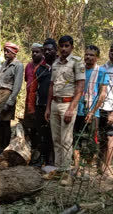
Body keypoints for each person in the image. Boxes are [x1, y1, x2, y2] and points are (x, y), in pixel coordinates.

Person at [44, 35, 85, 185]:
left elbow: (80, 87)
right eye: (61, 46)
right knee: (56, 138)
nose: (64, 49)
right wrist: (48, 107)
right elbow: (51, 85)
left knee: (66, 139)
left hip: (68, 104)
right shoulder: (56, 63)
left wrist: (71, 108)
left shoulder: (77, 62)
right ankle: (59, 170)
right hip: (55, 103)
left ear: (72, 47)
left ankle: (67, 173)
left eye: (67, 46)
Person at [73, 45, 108, 175]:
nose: (88, 57)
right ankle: (76, 166)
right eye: (86, 54)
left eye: (91, 55)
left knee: (90, 141)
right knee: (75, 138)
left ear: (97, 57)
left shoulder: (101, 72)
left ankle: (86, 169)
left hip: (92, 112)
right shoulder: (79, 69)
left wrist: (93, 111)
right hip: (77, 110)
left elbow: (102, 93)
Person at [28, 39, 57, 166]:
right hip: (41, 106)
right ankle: (42, 160)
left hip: (56, 106)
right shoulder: (40, 69)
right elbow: (33, 90)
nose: (47, 52)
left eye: (50, 49)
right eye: (45, 50)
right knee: (42, 134)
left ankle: (52, 161)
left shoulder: (60, 67)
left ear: (56, 50)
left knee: (53, 135)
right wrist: (31, 108)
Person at [0, 42, 24, 154]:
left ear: (14, 53)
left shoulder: (18, 65)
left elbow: (17, 86)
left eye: (8, 51)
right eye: (5, 51)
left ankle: (5, 147)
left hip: (7, 95)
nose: (5, 53)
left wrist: (10, 102)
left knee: (5, 123)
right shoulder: (4, 64)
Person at [24, 43, 44, 161]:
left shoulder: (45, 66)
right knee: (28, 126)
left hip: (40, 103)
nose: (34, 54)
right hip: (28, 101)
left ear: (42, 53)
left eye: (37, 52)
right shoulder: (28, 66)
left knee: (39, 128)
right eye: (33, 52)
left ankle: (39, 153)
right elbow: (27, 81)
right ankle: (29, 151)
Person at [99, 43, 113, 177]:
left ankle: (107, 167)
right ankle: (100, 163)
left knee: (110, 138)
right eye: (111, 50)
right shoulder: (103, 68)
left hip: (112, 109)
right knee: (102, 137)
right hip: (102, 107)